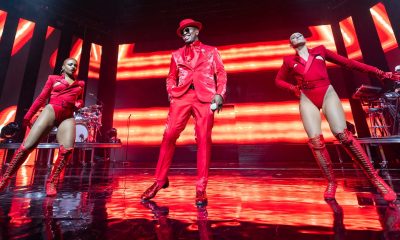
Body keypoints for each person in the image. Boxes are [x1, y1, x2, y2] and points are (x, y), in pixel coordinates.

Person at [275, 32, 397, 202]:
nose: (296, 36)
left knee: (343, 135)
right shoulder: (288, 61)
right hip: (307, 97)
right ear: (290, 44)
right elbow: (278, 80)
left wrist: (379, 73)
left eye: (299, 35)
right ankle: (331, 183)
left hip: (326, 92)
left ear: (305, 39)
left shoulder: (320, 51)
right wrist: (293, 88)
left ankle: (377, 180)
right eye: (293, 37)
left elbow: (349, 63)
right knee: (315, 141)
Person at [141, 19, 227, 206]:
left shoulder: (212, 51)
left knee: (203, 139)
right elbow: (171, 77)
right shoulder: (176, 54)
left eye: (187, 30)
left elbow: (221, 73)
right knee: (169, 135)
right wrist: (172, 94)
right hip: (182, 97)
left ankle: (200, 188)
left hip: (205, 98)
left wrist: (220, 94)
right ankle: (160, 180)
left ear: (196, 31)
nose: (184, 33)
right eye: (182, 32)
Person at [0, 58, 84, 196]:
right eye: (70, 64)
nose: (73, 66)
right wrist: (28, 116)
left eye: (75, 65)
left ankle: (51, 181)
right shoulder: (53, 79)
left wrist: (79, 103)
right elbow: (41, 98)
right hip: (51, 111)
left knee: (67, 150)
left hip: (67, 115)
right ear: (63, 67)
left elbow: (80, 99)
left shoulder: (80, 84)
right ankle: (5, 179)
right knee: (27, 146)